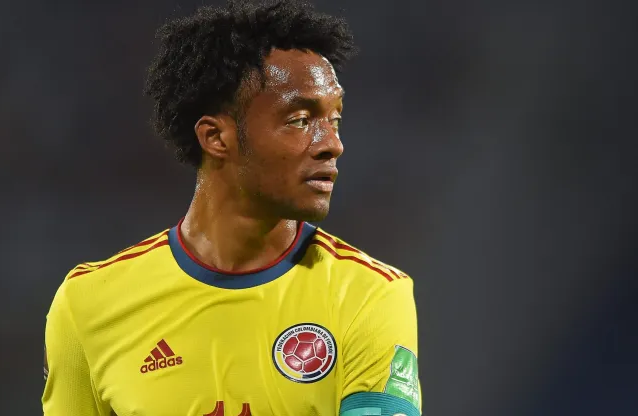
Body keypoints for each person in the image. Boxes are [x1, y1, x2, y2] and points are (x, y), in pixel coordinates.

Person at [42, 1, 421, 415]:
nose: (332, 143)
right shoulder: (89, 305)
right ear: (216, 138)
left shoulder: (369, 296)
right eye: (299, 119)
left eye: (335, 119)